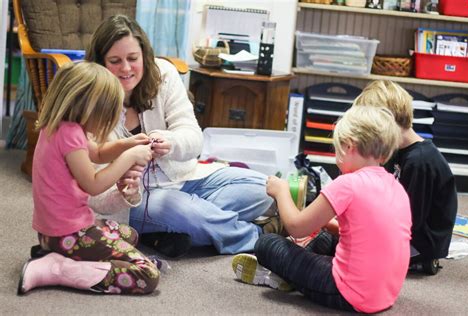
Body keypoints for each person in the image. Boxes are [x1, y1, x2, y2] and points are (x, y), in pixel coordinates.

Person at [85, 15, 276, 257]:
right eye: (115, 61)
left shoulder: (163, 74)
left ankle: (174, 232)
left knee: (263, 190)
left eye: (133, 59)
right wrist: (126, 190)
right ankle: (260, 238)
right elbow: (93, 190)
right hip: (133, 201)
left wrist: (172, 142)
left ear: (144, 55)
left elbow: (194, 138)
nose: (126, 68)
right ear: (100, 64)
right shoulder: (91, 102)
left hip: (186, 178)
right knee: (182, 210)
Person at [232, 106, 412, 313]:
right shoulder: (395, 186)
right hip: (384, 294)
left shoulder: (347, 183)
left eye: (337, 149)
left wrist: (281, 191)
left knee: (267, 243)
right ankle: (291, 272)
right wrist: (326, 223)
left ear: (349, 146)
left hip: (347, 294)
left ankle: (285, 275)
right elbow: (368, 234)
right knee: (326, 238)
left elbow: (295, 227)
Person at [18, 61, 160, 295]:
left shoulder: (62, 127)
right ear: (88, 107)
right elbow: (92, 184)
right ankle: (59, 268)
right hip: (68, 235)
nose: (106, 122)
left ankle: (62, 257)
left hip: (53, 234)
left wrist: (128, 144)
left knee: (129, 235)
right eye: (104, 115)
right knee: (148, 275)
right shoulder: (70, 135)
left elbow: (99, 152)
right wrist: (129, 157)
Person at [352, 80, 457, 271]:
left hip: (421, 242)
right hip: (407, 232)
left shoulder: (420, 161)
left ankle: (421, 262)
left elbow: (408, 220)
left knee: (353, 251)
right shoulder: (398, 150)